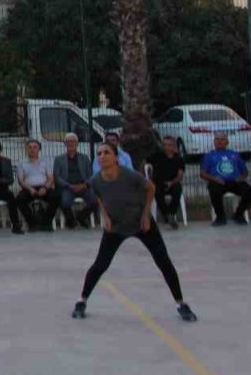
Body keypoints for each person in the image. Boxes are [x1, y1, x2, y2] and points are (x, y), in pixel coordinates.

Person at [72, 144, 197, 323]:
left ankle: (181, 304)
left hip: (141, 224)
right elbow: (97, 193)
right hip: (116, 226)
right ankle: (81, 301)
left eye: (107, 152)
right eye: (99, 153)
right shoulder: (96, 179)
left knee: (163, 260)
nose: (102, 156)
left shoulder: (129, 175)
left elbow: (151, 188)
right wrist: (105, 216)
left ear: (116, 157)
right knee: (100, 264)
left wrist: (146, 215)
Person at [199, 132, 251, 226]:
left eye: (222, 139)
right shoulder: (208, 156)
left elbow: (245, 172)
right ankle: (220, 217)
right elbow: (202, 174)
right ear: (214, 142)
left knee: (250, 192)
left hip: (234, 181)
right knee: (214, 191)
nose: (219, 141)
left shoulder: (235, 154)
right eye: (217, 139)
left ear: (227, 142)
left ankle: (238, 214)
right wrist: (213, 178)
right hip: (217, 182)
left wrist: (241, 178)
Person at [53, 134, 97, 229]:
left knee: (95, 199)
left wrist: (85, 185)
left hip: (83, 186)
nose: (71, 143)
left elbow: (91, 175)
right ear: (65, 144)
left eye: (73, 141)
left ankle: (81, 217)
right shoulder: (58, 159)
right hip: (68, 187)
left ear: (77, 144)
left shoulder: (84, 158)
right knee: (64, 201)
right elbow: (57, 177)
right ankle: (71, 221)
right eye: (68, 141)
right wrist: (69, 186)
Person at [14, 140, 58, 232]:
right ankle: (32, 223)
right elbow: (21, 180)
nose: (32, 150)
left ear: (39, 149)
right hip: (28, 188)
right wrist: (30, 189)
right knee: (19, 199)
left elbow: (51, 178)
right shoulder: (22, 163)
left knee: (55, 196)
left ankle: (46, 222)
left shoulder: (46, 162)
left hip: (44, 187)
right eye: (30, 147)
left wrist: (45, 188)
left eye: (35, 147)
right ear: (26, 149)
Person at [146, 137, 186, 229]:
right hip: (158, 183)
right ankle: (167, 215)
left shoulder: (179, 159)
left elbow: (180, 176)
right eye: (164, 145)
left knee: (178, 188)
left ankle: (171, 214)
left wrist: (171, 183)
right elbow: (145, 162)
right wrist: (147, 176)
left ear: (174, 146)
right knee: (155, 190)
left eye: (169, 145)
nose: (166, 147)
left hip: (172, 183)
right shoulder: (156, 156)